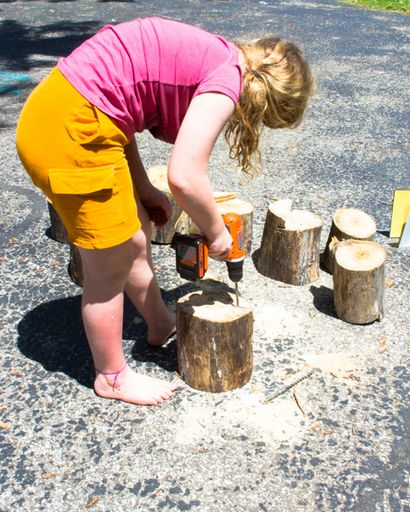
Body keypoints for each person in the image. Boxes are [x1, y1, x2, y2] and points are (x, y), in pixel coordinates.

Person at [16, 16, 313, 406]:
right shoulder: (227, 83)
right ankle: (112, 377)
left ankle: (159, 323)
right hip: (68, 134)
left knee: (136, 230)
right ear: (262, 104)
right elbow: (185, 177)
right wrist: (218, 233)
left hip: (76, 120)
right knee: (110, 266)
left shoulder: (220, 56)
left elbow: (117, 115)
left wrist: (142, 187)